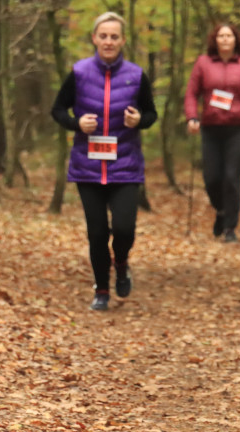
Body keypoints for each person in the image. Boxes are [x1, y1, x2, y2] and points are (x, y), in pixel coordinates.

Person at [51, 11, 157, 311]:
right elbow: (58, 110)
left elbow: (151, 114)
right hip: (88, 167)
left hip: (125, 166)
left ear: (122, 40)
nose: (108, 41)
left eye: (114, 36)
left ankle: (121, 262)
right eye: (103, 36)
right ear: (94, 38)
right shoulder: (79, 72)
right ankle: (101, 289)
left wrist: (139, 120)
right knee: (97, 232)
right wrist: (76, 123)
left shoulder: (136, 75)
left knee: (124, 229)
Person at [184, 22, 240, 243]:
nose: (225, 40)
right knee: (211, 178)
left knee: (231, 177)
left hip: (238, 129)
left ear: (236, 40)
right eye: (221, 36)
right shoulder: (203, 63)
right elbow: (191, 93)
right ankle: (220, 210)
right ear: (215, 40)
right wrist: (192, 117)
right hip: (210, 128)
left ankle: (230, 227)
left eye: (229, 36)